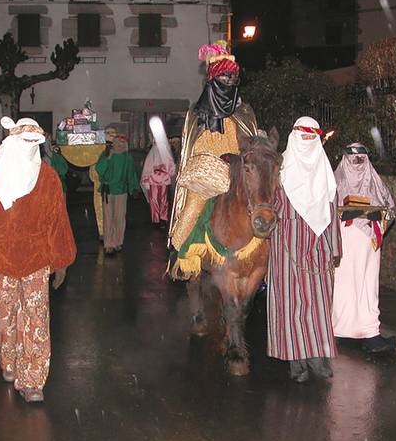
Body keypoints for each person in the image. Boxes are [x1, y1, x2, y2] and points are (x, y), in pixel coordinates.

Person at [0, 117, 76, 403]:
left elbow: (58, 221)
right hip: (2, 260)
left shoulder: (48, 178)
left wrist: (61, 260)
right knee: (4, 316)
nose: (29, 148)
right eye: (25, 142)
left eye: (34, 143)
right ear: (11, 142)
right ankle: (9, 361)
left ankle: (33, 381)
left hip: (36, 260)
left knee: (36, 321)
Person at [168, 41, 258, 278]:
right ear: (213, 80)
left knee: (262, 206)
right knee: (194, 206)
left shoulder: (244, 112)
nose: (229, 82)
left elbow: (250, 144)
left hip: (238, 173)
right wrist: (212, 160)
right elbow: (191, 148)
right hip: (207, 173)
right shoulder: (196, 113)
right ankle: (179, 253)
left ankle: (266, 265)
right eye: (224, 77)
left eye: (233, 78)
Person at [267, 116, 342, 383]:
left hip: (318, 247)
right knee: (290, 305)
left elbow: (333, 211)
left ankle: (317, 358)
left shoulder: (325, 174)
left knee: (319, 304)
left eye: (313, 138)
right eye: (303, 137)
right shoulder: (279, 171)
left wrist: (335, 248)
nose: (308, 143)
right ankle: (296, 361)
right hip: (286, 247)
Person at [332, 143, 396, 353]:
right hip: (344, 241)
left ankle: (370, 333)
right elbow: (324, 211)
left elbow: (389, 209)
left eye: (361, 158)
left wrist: (375, 216)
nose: (357, 163)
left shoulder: (375, 182)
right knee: (343, 285)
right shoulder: (335, 181)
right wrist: (345, 214)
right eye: (353, 159)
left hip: (368, 242)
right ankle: (338, 330)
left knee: (368, 286)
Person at [95, 133, 140, 255]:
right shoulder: (107, 155)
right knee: (108, 217)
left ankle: (118, 242)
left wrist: (134, 188)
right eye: (118, 143)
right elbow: (99, 169)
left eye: (122, 143)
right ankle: (108, 244)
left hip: (121, 191)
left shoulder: (127, 157)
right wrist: (108, 157)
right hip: (108, 190)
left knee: (119, 218)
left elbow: (131, 174)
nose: (120, 145)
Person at [141, 132, 176, 228]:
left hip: (163, 178)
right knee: (155, 199)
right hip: (154, 178)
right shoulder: (153, 150)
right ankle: (156, 219)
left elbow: (170, 164)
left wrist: (172, 172)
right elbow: (148, 166)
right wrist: (146, 179)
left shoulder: (164, 150)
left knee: (162, 199)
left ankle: (162, 218)